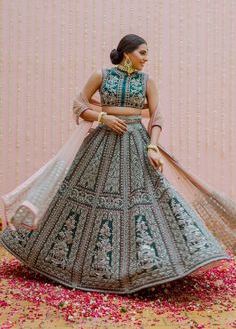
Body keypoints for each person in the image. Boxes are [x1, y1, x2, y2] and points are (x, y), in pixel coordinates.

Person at [0, 34, 235, 295]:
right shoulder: (101, 75)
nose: (146, 59)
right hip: (101, 144)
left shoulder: (147, 81)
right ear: (127, 52)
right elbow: (79, 104)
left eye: (147, 54)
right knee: (87, 200)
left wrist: (153, 146)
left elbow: (157, 115)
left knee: (143, 201)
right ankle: (76, 265)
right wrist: (103, 117)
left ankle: (148, 266)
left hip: (137, 143)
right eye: (142, 53)